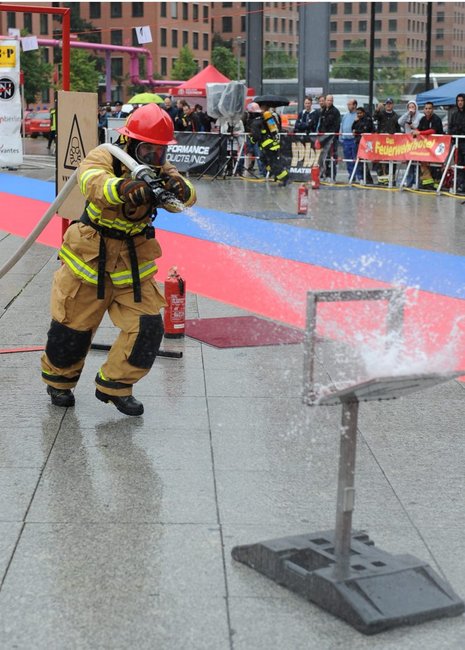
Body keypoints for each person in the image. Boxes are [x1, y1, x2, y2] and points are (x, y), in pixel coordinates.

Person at [41, 103, 197, 416]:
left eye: (160, 153)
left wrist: (181, 188)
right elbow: (92, 183)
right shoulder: (105, 156)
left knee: (148, 328)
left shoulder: (159, 169)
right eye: (149, 152)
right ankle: (59, 382)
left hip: (132, 264)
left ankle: (115, 385)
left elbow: (188, 196)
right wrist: (123, 187)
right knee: (72, 329)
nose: (156, 159)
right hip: (89, 261)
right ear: (131, 143)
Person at [249, 100, 289, 185]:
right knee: (265, 160)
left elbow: (256, 136)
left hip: (267, 146)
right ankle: (276, 175)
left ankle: (284, 178)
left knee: (272, 162)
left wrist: (252, 140)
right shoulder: (264, 118)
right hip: (272, 144)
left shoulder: (255, 122)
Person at [411, 101, 444, 191]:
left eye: (429, 108)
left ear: (432, 109)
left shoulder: (436, 119)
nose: (428, 110)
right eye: (426, 108)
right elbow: (419, 128)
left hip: (437, 147)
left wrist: (419, 132)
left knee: (436, 165)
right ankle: (427, 183)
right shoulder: (423, 119)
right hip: (426, 147)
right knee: (424, 163)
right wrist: (415, 131)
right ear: (424, 110)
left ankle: (437, 184)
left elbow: (433, 131)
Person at [373, 98, 400, 185]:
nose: (388, 105)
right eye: (387, 103)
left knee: (391, 161)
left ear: (393, 104)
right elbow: (374, 118)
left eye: (390, 103)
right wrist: (377, 109)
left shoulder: (396, 116)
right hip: (381, 142)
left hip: (392, 143)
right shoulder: (381, 114)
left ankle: (391, 180)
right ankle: (381, 180)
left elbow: (398, 129)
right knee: (380, 161)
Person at [398, 100, 421, 187]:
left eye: (413, 107)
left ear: (416, 107)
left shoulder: (420, 115)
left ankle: (417, 182)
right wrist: (408, 114)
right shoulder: (406, 115)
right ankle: (409, 182)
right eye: (409, 107)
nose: (411, 109)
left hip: (418, 142)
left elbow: (417, 125)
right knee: (409, 163)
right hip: (408, 143)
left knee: (417, 163)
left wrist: (412, 125)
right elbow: (400, 122)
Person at [318, 94, 341, 181]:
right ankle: (324, 174)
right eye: (327, 100)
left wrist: (331, 135)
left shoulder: (335, 111)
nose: (329, 102)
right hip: (323, 138)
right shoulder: (323, 111)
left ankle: (331, 175)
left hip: (331, 139)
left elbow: (336, 125)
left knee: (332, 157)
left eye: (330, 100)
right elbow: (321, 124)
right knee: (324, 157)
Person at [352, 105, 374, 184]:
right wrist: (355, 122)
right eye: (357, 113)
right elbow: (353, 128)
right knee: (360, 162)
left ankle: (368, 179)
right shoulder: (358, 120)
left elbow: (364, 129)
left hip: (366, 143)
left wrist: (356, 131)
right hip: (358, 142)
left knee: (364, 161)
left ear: (363, 113)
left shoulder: (367, 120)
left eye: (360, 113)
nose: (359, 115)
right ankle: (364, 178)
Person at [448, 93, 465, 194]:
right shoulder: (454, 114)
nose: (460, 103)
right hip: (457, 145)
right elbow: (450, 128)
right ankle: (459, 184)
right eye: (458, 101)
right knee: (458, 164)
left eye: (462, 100)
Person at [339, 98, 358, 180]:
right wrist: (341, 138)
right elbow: (342, 127)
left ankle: (358, 175)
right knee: (348, 159)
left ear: (354, 105)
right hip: (345, 141)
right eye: (348, 104)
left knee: (355, 159)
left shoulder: (358, 115)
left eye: (349, 104)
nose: (348, 106)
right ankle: (351, 175)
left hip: (353, 140)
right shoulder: (345, 116)